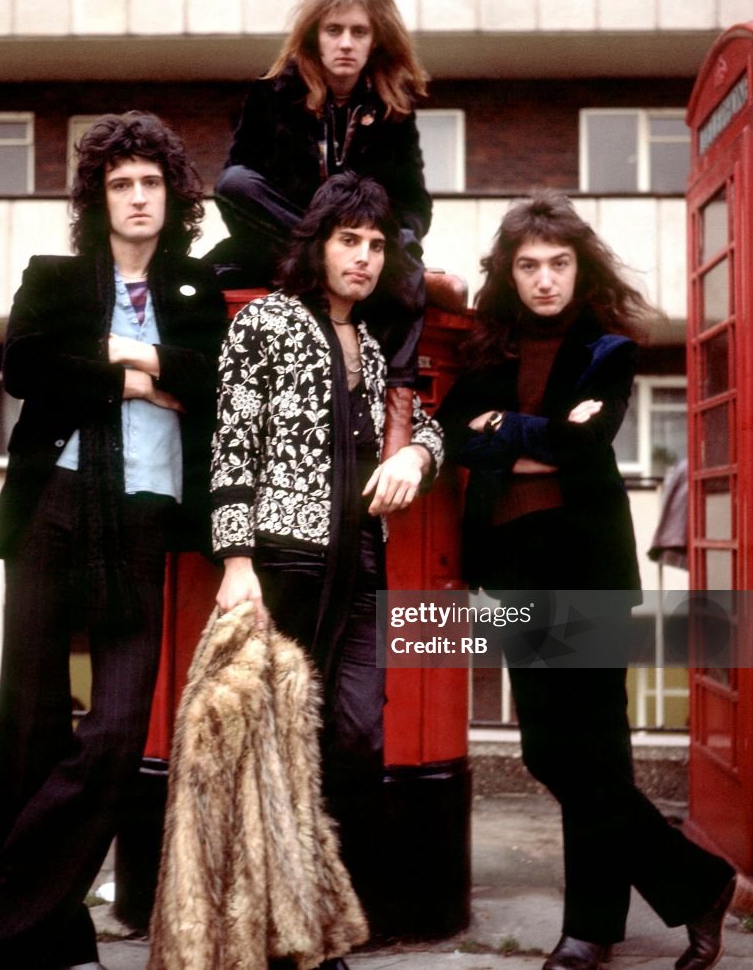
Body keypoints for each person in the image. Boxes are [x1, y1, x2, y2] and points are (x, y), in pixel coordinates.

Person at [433, 191, 753, 970]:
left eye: (557, 264)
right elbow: (453, 438)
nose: (544, 279)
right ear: (509, 274)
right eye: (528, 266)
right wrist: (527, 438)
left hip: (585, 562)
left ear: (580, 268)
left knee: (596, 754)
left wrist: (502, 433)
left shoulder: (606, 348)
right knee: (554, 753)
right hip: (514, 565)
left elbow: (583, 451)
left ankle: (590, 931)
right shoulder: (488, 348)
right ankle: (699, 881)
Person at [0, 112, 228, 970]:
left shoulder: (195, 290)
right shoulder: (55, 277)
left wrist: (111, 360)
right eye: (121, 183)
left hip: (144, 513)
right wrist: (138, 371)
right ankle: (51, 931)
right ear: (97, 198)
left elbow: (207, 379)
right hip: (52, 506)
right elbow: (26, 368)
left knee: (113, 732)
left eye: (151, 182)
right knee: (28, 722)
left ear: (172, 196)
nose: (138, 197)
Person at [211, 173, 444, 970]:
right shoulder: (267, 325)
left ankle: (314, 916)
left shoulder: (374, 345)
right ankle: (285, 939)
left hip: (362, 567)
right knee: (276, 748)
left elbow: (427, 425)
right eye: (350, 240)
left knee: (355, 737)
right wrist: (236, 559)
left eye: (378, 245)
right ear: (318, 245)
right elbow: (232, 444)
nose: (366, 258)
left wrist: (417, 449)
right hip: (285, 561)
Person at [207, 0, 459, 454]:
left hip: (363, 247)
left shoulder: (394, 107)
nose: (345, 43)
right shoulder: (270, 94)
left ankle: (398, 416)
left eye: (359, 32)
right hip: (285, 246)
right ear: (314, 36)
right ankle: (324, 254)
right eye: (334, 30)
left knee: (409, 278)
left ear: (375, 40)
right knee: (230, 201)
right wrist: (320, 245)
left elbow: (414, 204)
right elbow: (235, 186)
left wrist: (399, 242)